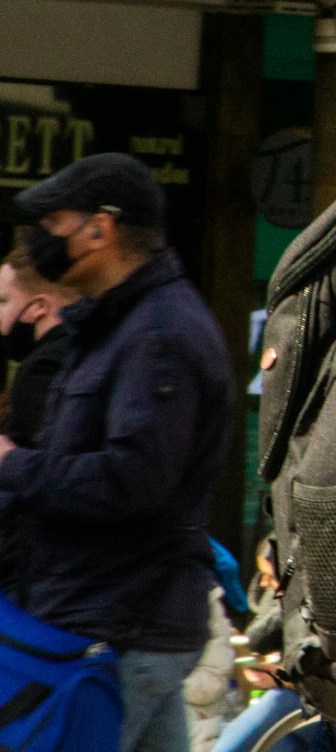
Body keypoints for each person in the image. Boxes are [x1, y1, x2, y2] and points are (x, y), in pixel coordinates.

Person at [1, 153, 235, 752]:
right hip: (120, 626)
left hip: (117, 629)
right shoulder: (120, 326)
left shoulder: (156, 335)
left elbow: (131, 480)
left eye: (53, 223)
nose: (39, 240)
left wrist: (10, 463)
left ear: (101, 229)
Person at [0, 236, 80, 444]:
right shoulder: (90, 349)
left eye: (4, 301)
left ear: (39, 307)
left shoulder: (40, 369)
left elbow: (48, 466)